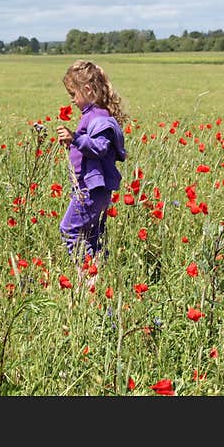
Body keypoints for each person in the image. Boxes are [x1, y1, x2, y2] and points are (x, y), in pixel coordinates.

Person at [55, 60, 127, 287]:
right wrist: (74, 144)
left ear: (87, 90)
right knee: (93, 236)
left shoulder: (100, 118)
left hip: (91, 190)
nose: (73, 101)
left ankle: (88, 277)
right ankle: (98, 278)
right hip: (91, 189)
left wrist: (74, 138)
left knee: (70, 229)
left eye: (73, 95)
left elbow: (99, 148)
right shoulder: (92, 115)